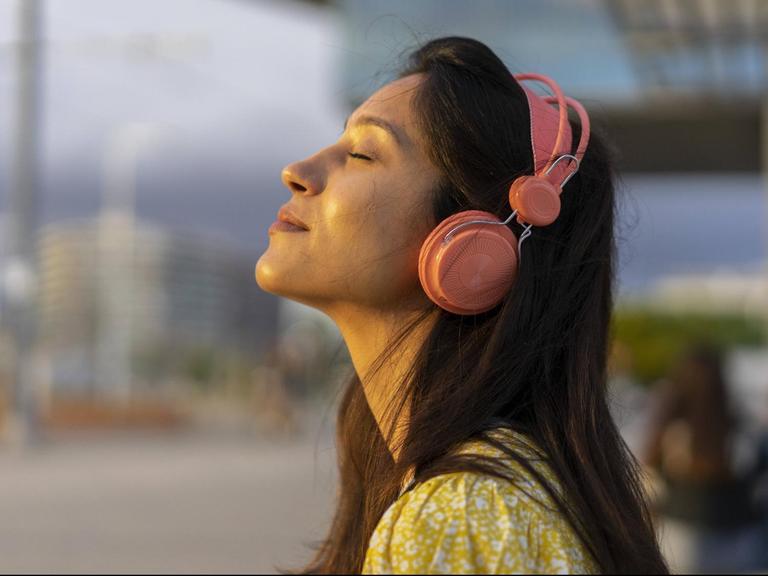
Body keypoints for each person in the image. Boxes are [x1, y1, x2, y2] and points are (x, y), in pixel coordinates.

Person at [255, 36, 668, 574]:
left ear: (473, 246)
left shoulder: (457, 515)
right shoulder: (512, 489)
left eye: (362, 153)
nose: (297, 170)